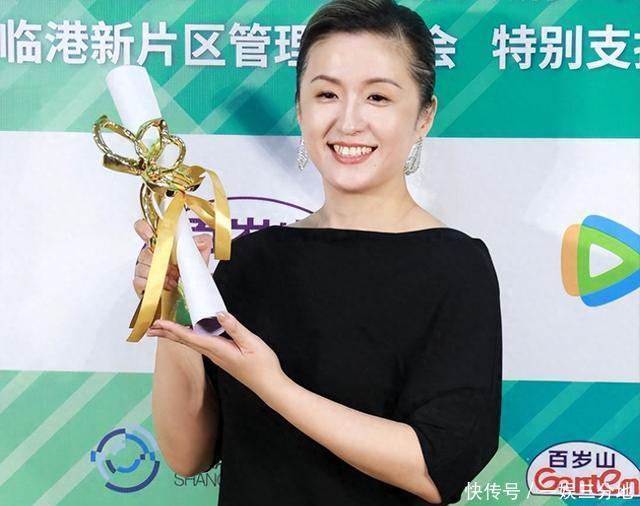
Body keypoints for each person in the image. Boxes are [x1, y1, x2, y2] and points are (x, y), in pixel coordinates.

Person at [133, 0, 502, 504]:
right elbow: (188, 454)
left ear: (423, 116)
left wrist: (273, 385)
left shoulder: (456, 267)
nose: (348, 122)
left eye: (377, 97)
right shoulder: (250, 260)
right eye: (327, 94)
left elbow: (437, 468)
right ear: (301, 109)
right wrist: (173, 301)